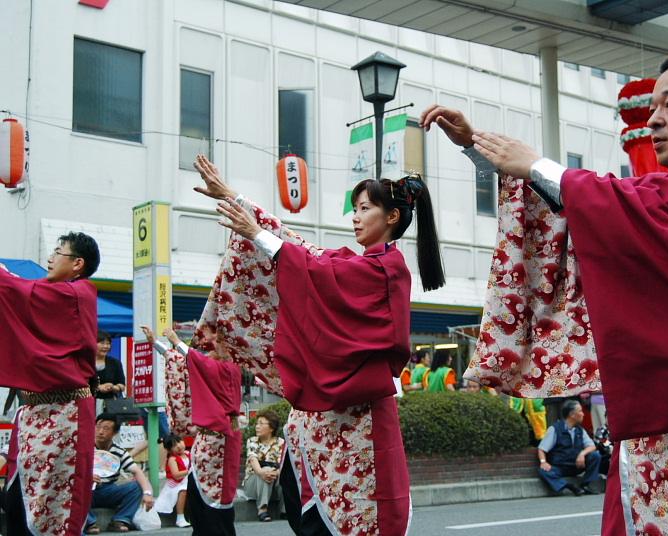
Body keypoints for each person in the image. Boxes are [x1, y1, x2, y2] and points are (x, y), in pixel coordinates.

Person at [422, 50, 668, 535]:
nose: (655, 120)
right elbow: (598, 214)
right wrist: (483, 148)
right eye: (652, 108)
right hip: (647, 437)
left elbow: (617, 205)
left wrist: (534, 164)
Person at [191, 153, 445, 535]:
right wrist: (232, 197)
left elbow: (313, 267)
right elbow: (300, 248)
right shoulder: (355, 264)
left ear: (392, 217)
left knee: (362, 517)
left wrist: (255, 234)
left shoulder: (386, 269)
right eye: (354, 209)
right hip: (326, 418)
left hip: (361, 420)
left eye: (364, 208)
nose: (355, 217)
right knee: (312, 509)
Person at [0, 232, 100, 536]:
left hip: (65, 414)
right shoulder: (50, 294)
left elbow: (18, 290)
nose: (50, 257)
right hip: (33, 415)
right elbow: (19, 290)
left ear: (77, 264)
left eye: (58, 252)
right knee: (17, 503)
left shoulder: (79, 293)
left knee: (56, 513)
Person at [142, 325, 242, 536]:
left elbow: (197, 361)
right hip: (205, 441)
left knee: (215, 501)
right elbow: (182, 361)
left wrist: (177, 341)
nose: (210, 345)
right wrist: (156, 344)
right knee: (197, 498)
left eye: (216, 340)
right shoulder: (208, 365)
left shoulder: (228, 368)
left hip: (220, 440)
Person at [86, 414, 155, 534]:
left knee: (136, 486)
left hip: (108, 490)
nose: (101, 432)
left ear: (115, 432)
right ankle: (89, 523)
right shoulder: (84, 448)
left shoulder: (119, 451)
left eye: (106, 428)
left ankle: (120, 520)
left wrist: (148, 493)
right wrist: (87, 477)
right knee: (73, 487)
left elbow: (137, 471)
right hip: (87, 490)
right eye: (98, 427)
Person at [536, 400, 600, 496]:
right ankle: (569, 486)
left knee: (595, 456)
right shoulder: (555, 429)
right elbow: (542, 449)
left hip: (577, 465)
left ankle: (585, 485)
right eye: (580, 411)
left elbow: (592, 446)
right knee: (543, 471)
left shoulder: (580, 430)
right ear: (572, 414)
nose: (583, 414)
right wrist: (543, 462)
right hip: (560, 467)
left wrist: (582, 454)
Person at [242, 409, 285, 522]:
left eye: (261, 423)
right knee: (265, 470)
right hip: (253, 484)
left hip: (274, 483)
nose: (257, 426)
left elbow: (283, 464)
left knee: (285, 474)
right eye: (257, 423)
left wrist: (276, 473)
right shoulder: (252, 441)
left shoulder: (281, 443)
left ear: (271, 428)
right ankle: (262, 509)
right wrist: (262, 472)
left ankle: (285, 510)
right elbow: (253, 460)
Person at [153, 434, 192, 528]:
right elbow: (176, 475)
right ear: (169, 450)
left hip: (188, 480)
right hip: (176, 484)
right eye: (174, 446)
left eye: (179, 442)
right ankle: (180, 517)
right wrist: (190, 471)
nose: (178, 446)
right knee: (183, 491)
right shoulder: (172, 459)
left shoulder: (188, 454)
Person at [95, 330, 126, 402]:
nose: (106, 346)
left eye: (108, 344)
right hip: (87, 402)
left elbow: (122, 385)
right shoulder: (85, 362)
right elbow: (79, 384)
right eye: (102, 343)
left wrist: (113, 387)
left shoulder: (115, 362)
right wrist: (98, 387)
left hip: (110, 404)